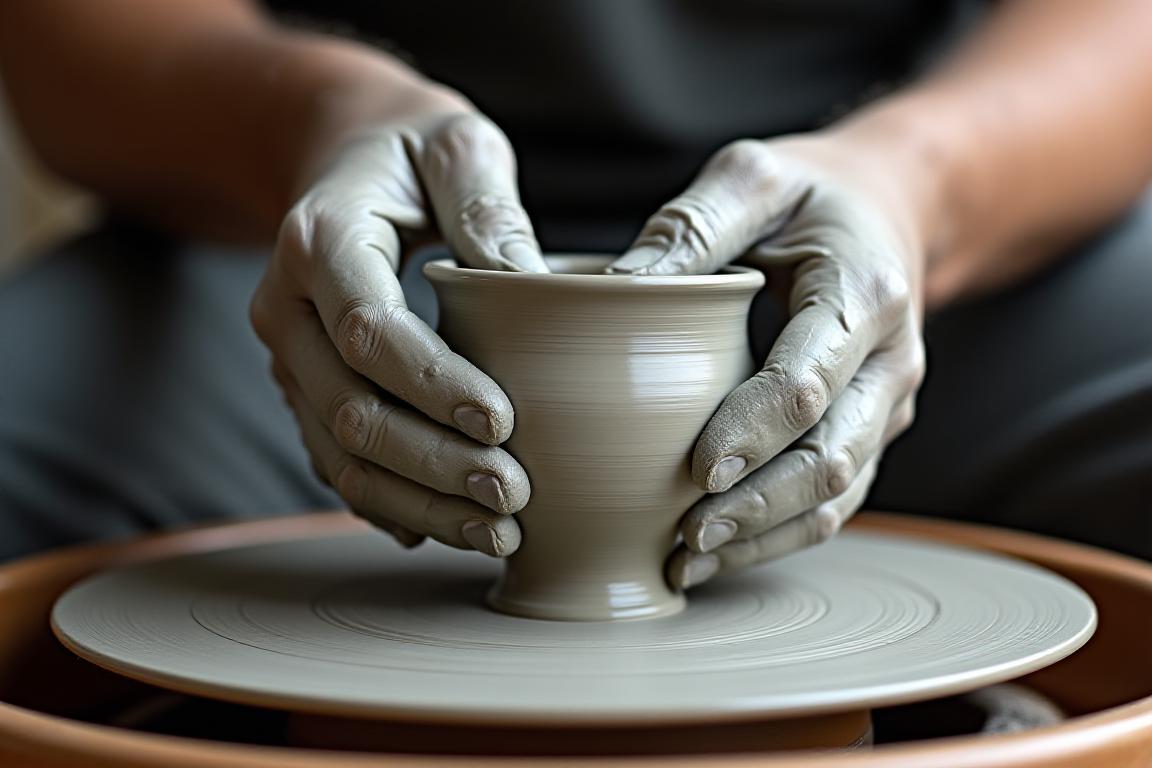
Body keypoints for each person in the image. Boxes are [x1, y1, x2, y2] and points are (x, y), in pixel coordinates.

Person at [0, 0, 1149, 572]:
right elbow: (70, 43)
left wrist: (921, 179)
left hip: (898, 209)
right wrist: (317, 118)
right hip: (350, 229)